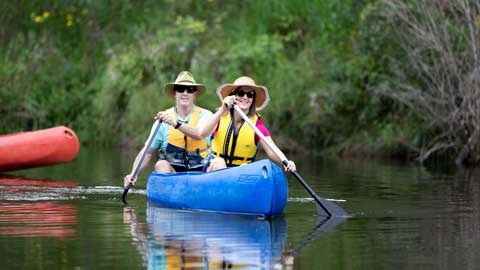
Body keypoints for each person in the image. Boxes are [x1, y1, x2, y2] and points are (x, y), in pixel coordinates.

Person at [124, 71, 213, 189]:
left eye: (190, 89)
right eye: (180, 89)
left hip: (202, 173)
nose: (185, 93)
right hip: (174, 176)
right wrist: (133, 174)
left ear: (195, 94)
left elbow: (198, 133)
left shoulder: (206, 115)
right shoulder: (162, 121)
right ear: (174, 94)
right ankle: (171, 198)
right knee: (161, 164)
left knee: (218, 163)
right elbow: (148, 152)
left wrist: (174, 123)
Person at [193, 76, 296, 172]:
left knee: (246, 167)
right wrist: (222, 110)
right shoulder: (220, 116)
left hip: (240, 173)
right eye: (241, 93)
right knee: (219, 162)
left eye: (250, 95)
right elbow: (202, 133)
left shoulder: (257, 125)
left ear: (253, 99)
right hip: (214, 168)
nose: (245, 97)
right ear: (233, 96)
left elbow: (272, 150)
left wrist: (286, 162)